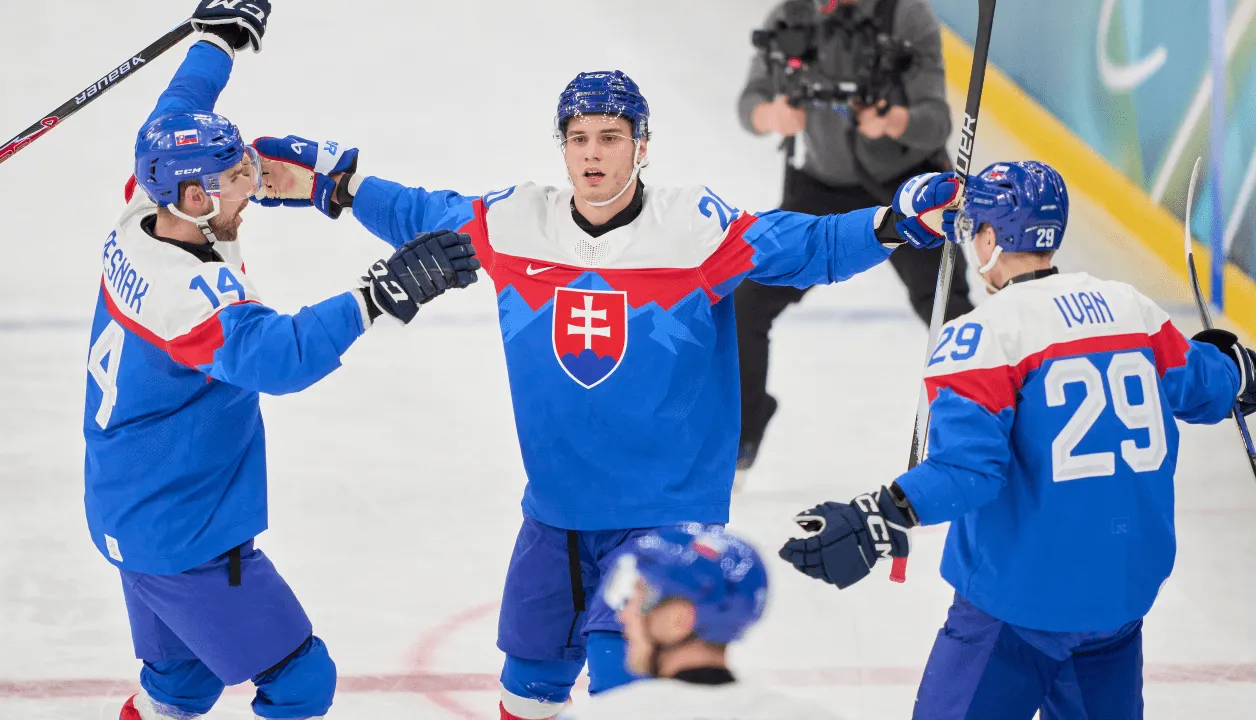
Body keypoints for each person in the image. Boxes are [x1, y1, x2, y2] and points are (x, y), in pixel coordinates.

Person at [254, 69, 961, 719]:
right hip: (556, 516)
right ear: (562, 148)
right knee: (526, 689)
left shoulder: (695, 231)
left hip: (667, 523)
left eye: (612, 138)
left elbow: (807, 245)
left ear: (642, 146)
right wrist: (332, 185)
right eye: (579, 138)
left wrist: (893, 223)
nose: (594, 154)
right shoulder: (514, 222)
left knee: (637, 699)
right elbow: (420, 215)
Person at [84, 5, 479, 719]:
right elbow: (279, 357)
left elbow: (178, 106)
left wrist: (218, 39)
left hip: (131, 507)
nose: (256, 183)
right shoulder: (188, 296)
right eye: (237, 177)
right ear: (196, 196)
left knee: (182, 685)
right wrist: (381, 292)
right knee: (301, 684)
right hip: (185, 530)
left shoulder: (148, 201)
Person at [778, 161, 1256, 719]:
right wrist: (1230, 363)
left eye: (974, 231)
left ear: (991, 237)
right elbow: (1206, 388)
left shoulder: (984, 336)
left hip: (1018, 605)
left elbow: (967, 472)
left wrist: (878, 514)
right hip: (1120, 591)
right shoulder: (1131, 310)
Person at [735, 0, 974, 469]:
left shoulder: (906, 16)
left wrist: (895, 122)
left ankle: (976, 425)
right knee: (747, 303)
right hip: (820, 185)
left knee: (951, 313)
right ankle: (745, 428)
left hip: (907, 182)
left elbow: (937, 120)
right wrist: (771, 114)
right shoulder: (791, 14)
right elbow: (750, 101)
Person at [559, 524, 841, 720]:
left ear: (679, 620)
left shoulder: (601, 716)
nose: (624, 615)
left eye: (639, 599)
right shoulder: (808, 716)